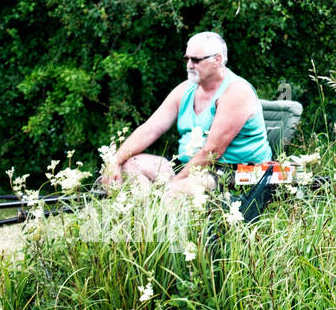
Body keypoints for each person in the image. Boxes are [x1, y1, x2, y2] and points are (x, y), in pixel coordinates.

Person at [102, 32, 272, 194]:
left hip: (232, 172)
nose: (189, 65)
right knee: (129, 165)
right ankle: (147, 213)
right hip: (188, 165)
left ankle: (158, 209)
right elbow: (150, 129)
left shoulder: (236, 91)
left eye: (196, 60)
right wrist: (115, 160)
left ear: (217, 60)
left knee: (172, 191)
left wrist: (173, 184)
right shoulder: (185, 89)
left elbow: (212, 151)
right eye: (187, 59)